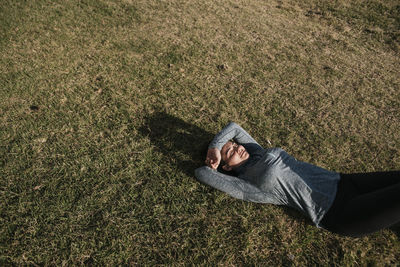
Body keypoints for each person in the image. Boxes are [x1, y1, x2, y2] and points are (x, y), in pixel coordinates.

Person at [195, 122, 400, 237]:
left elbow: (235, 128)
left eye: (234, 145)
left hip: (346, 182)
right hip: (340, 212)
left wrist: (216, 145)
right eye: (230, 151)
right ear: (227, 167)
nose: (239, 147)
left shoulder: (256, 152)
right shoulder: (248, 184)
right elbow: (202, 174)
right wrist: (213, 160)